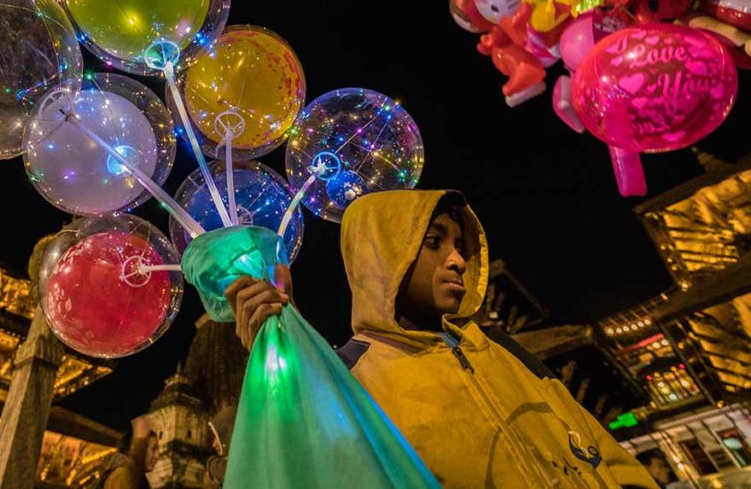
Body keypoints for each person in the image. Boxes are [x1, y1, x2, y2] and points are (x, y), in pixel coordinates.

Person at [226, 189, 658, 488]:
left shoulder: (504, 349)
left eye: (459, 244)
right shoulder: (347, 380)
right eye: (433, 241)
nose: (457, 259)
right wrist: (283, 343)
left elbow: (609, 457)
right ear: (381, 254)